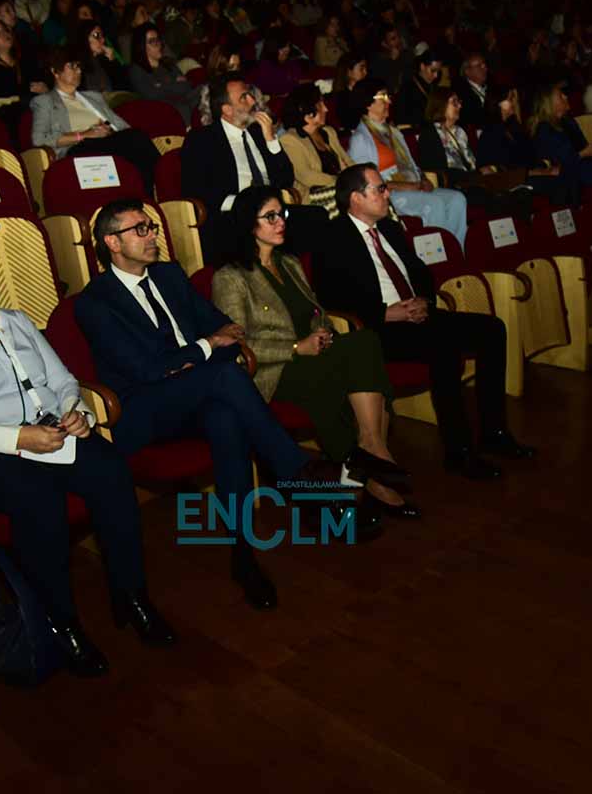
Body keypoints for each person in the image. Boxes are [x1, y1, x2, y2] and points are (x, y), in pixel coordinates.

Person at [0, 224, 176, 679]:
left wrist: (73, 412)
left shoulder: (15, 320)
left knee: (110, 469)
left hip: (48, 435)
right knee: (37, 496)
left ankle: (131, 595)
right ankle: (59, 622)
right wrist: (17, 438)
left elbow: (63, 380)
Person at [74, 200, 345, 610]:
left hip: (199, 394)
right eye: (140, 229)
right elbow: (147, 370)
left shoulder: (168, 275)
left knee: (225, 418)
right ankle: (296, 473)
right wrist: (205, 346)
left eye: (152, 227)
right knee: (223, 377)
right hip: (141, 411)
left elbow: (225, 327)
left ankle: (243, 556)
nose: (152, 235)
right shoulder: (95, 302)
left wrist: (202, 349)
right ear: (112, 242)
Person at [313, 164, 536, 480]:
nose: (387, 194)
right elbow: (331, 296)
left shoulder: (390, 229)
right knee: (444, 346)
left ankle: (494, 432)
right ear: (356, 198)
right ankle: (459, 451)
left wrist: (424, 301)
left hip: (417, 314)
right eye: (380, 189)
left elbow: (419, 272)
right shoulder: (332, 238)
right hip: (376, 328)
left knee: (492, 329)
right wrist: (385, 313)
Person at [212, 186, 415, 522]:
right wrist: (296, 348)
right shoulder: (230, 277)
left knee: (365, 341)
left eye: (282, 214)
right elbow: (237, 346)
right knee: (338, 374)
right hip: (274, 370)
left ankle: (368, 447)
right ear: (249, 224)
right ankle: (369, 467)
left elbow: (317, 312)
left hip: (314, 353)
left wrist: (322, 334)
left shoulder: (290, 263)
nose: (281, 222)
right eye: (270, 217)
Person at [182, 70, 327, 265]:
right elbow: (198, 190)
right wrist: (247, 204)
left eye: (250, 95)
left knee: (317, 216)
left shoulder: (259, 133)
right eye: (244, 97)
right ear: (227, 109)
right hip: (234, 214)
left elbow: (285, 178)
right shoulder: (202, 139)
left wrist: (271, 140)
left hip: (271, 210)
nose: (253, 101)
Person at [347, 78, 469, 246]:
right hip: (388, 193)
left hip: (413, 185)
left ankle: (456, 252)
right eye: (383, 97)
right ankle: (437, 257)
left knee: (457, 199)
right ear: (368, 103)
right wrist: (410, 186)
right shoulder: (360, 139)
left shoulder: (394, 132)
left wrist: (423, 179)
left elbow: (412, 165)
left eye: (388, 96)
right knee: (435, 204)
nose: (389, 101)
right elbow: (367, 184)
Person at [30, 48, 159, 191]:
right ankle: (151, 189)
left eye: (79, 66)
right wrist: (85, 134)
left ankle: (156, 188)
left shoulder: (93, 97)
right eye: (72, 66)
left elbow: (121, 125)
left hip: (107, 141)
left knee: (137, 137)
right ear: (55, 72)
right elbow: (39, 140)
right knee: (133, 141)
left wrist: (108, 128)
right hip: (78, 148)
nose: (79, 71)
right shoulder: (44, 101)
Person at [416, 87, 535, 215]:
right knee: (498, 198)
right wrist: (475, 174)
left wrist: (482, 171)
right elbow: (437, 171)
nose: (460, 106)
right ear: (440, 105)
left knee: (520, 192)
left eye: (459, 102)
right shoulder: (429, 134)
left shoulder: (460, 132)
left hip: (474, 182)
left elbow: (472, 163)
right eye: (454, 102)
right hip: (455, 186)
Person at [528, 80, 592, 201]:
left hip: (585, 165)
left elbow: (583, 147)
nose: (566, 97)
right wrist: (585, 153)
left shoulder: (568, 122)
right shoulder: (544, 130)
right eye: (560, 96)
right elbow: (561, 164)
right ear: (550, 104)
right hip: (572, 174)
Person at [475, 85, 566, 206]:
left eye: (515, 100)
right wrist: (542, 172)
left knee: (563, 176)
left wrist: (546, 169)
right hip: (509, 182)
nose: (515, 104)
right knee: (553, 184)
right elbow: (499, 170)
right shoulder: (490, 133)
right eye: (511, 99)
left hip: (525, 176)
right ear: (498, 103)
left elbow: (530, 158)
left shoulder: (515, 129)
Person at [279, 83, 353, 213]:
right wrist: (343, 182)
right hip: (313, 196)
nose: (326, 109)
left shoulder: (328, 132)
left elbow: (347, 161)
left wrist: (360, 177)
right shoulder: (290, 140)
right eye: (320, 105)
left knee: (370, 191)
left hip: (340, 188)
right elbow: (306, 176)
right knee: (354, 196)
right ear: (306, 111)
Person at [127, 23, 198, 126]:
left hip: (186, 99)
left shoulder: (167, 63)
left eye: (158, 39)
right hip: (165, 110)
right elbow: (151, 96)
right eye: (152, 41)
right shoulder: (137, 70)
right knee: (184, 107)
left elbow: (186, 85)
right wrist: (174, 83)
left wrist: (162, 86)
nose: (158, 44)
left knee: (205, 89)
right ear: (141, 46)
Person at [74, 19, 128, 95]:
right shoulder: (76, 64)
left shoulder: (104, 60)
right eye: (96, 35)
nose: (102, 40)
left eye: (102, 36)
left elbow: (123, 86)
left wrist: (112, 61)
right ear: (84, 37)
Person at [392, 49, 440, 127]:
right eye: (433, 70)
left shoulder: (434, 87)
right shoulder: (407, 89)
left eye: (438, 71)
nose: (436, 75)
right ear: (422, 66)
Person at [330, 51, 367, 131]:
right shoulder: (342, 96)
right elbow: (349, 123)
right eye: (361, 69)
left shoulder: (366, 89)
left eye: (365, 68)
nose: (365, 72)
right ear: (349, 72)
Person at [453, 52, 488, 127]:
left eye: (484, 65)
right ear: (467, 71)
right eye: (479, 66)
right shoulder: (460, 92)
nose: (485, 68)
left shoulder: (493, 88)